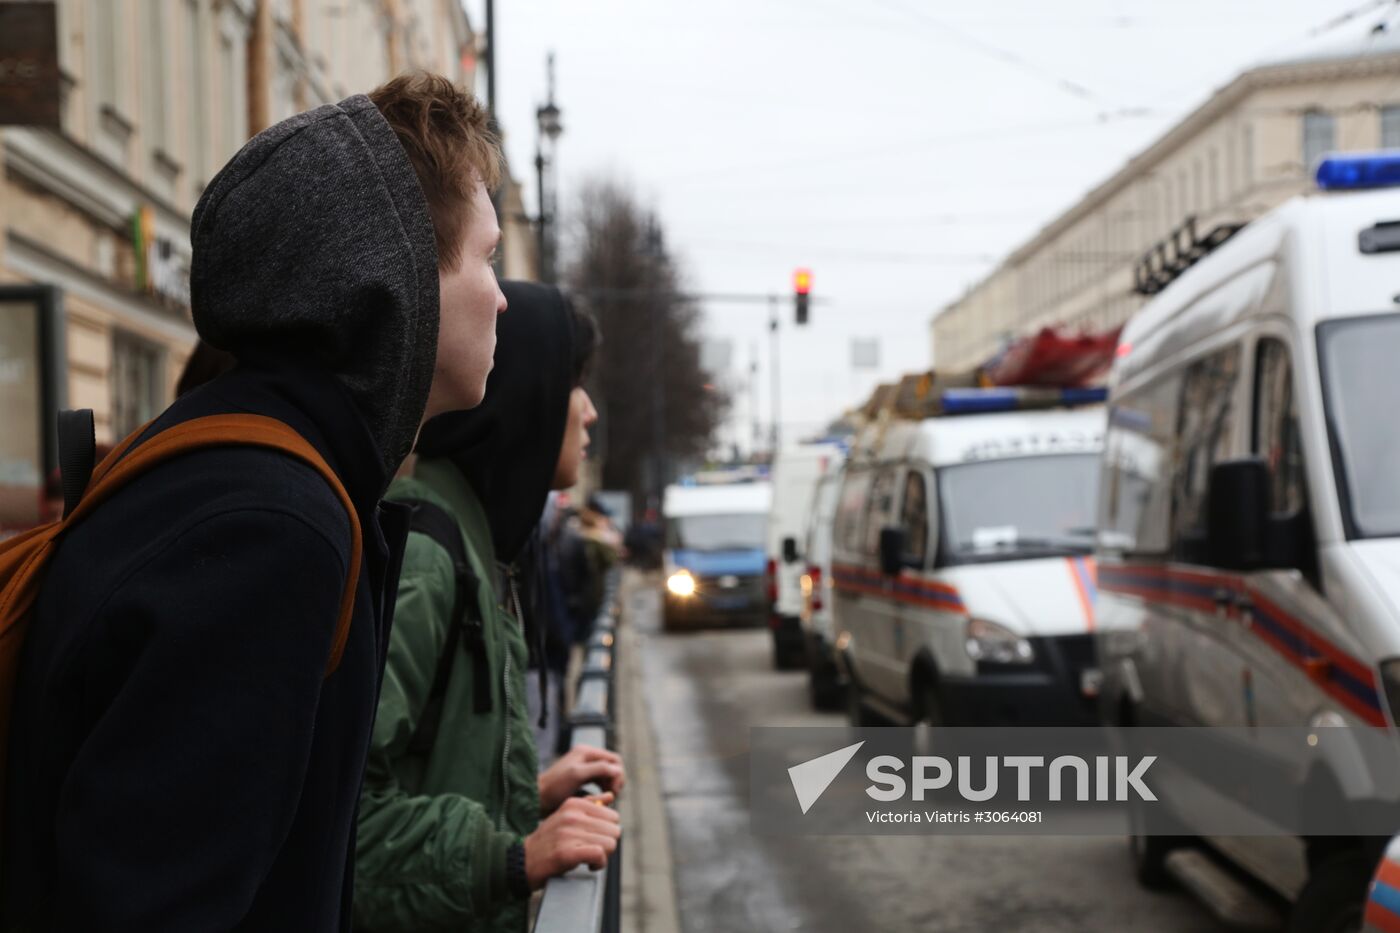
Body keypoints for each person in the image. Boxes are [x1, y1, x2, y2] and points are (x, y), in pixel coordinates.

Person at [1, 73, 506, 931]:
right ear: (403, 277)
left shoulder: (248, 472)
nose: (501, 296)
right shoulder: (270, 529)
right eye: (486, 257)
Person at [354, 281, 624, 932]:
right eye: (572, 382)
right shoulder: (429, 556)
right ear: (526, 400)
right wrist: (512, 854)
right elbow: (343, 822)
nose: (587, 412)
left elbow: (420, 772)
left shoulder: (473, 542)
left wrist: (523, 798)